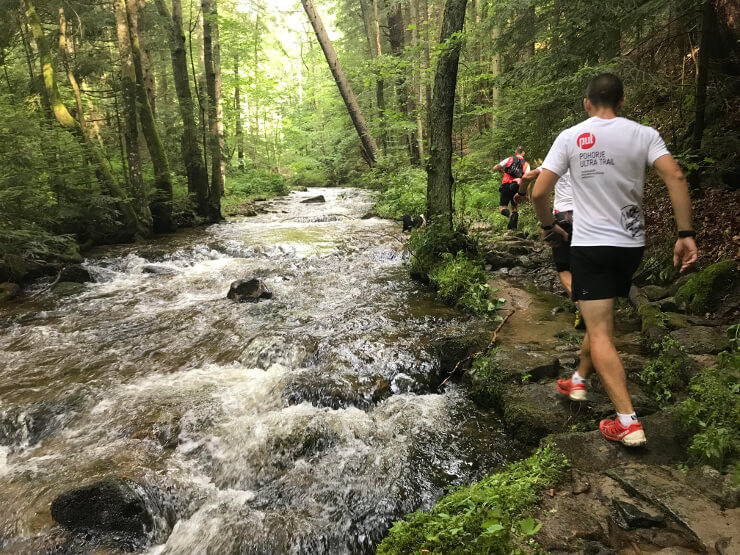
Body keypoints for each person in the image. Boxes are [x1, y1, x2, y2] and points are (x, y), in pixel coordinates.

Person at [532, 73, 698, 447]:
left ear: (587, 104)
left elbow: (539, 190)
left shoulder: (571, 136)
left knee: (602, 331)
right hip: (630, 245)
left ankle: (628, 422)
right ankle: (578, 381)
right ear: (622, 103)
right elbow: (676, 175)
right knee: (600, 321)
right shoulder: (644, 134)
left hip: (590, 246)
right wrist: (685, 234)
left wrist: (549, 228)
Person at [516, 168, 585, 329]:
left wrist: (521, 193)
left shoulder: (558, 160)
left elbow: (528, 176)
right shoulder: (594, 158)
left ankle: (581, 304)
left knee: (564, 268)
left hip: (565, 217)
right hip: (593, 216)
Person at [493, 146, 530, 230]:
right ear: (523, 153)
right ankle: (513, 229)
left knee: (502, 207)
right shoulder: (526, 164)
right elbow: (527, 179)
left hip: (506, 185)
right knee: (514, 207)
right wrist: (527, 195)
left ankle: (509, 215)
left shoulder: (509, 159)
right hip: (517, 187)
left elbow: (495, 168)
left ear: (515, 152)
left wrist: (501, 170)